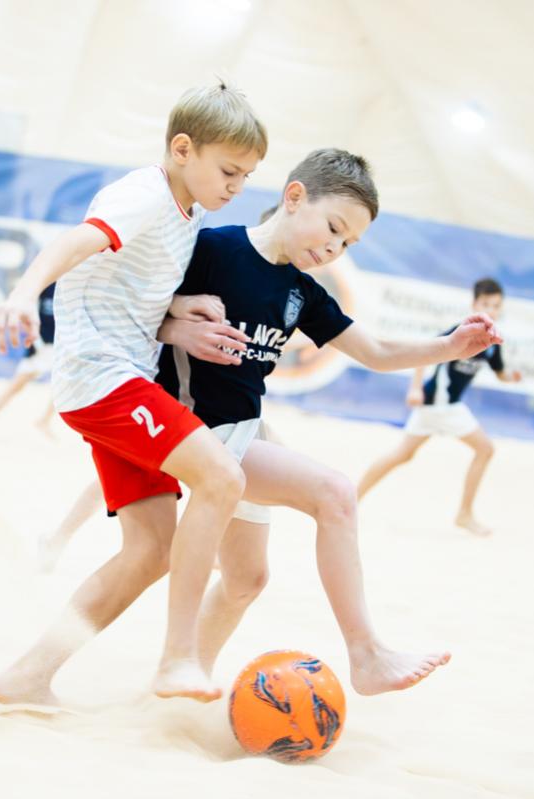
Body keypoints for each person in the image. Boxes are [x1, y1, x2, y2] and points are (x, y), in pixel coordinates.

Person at [152, 149, 501, 688]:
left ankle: (181, 681)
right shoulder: (212, 248)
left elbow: (377, 352)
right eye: (335, 228)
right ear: (294, 197)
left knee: (245, 580)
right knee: (335, 494)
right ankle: (367, 655)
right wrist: (174, 325)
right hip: (194, 429)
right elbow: (134, 311)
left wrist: (449, 347)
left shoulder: (303, 292)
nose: (336, 248)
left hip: (244, 431)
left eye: (349, 243)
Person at [0, 81, 266, 702]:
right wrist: (22, 295)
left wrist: (178, 311)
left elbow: (127, 290)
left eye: (247, 176)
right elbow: (75, 242)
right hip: (104, 380)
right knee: (223, 477)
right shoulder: (144, 194)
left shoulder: (188, 212)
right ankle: (179, 658)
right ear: (183, 149)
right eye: (229, 171)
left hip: (119, 380)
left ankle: (28, 677)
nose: (237, 187)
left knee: (152, 550)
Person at [356, 278, 521, 537]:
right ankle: (464, 515)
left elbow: (501, 374)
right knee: (485, 449)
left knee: (403, 454)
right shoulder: (461, 330)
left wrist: (512, 377)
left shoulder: (493, 341)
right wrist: (415, 388)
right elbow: (425, 353)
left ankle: (352, 498)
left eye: (496, 305)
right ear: (474, 304)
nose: (491, 309)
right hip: (440, 404)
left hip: (443, 407)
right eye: (485, 304)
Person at [0, 284, 57, 437]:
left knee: (63, 386)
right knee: (16, 386)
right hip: (39, 347)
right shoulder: (46, 284)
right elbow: (26, 314)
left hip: (58, 347)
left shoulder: (69, 286)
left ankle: (44, 420)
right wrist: (37, 342)